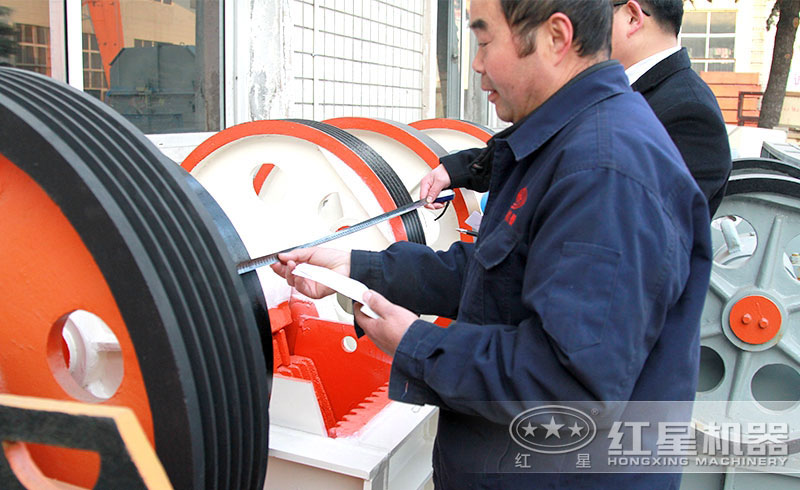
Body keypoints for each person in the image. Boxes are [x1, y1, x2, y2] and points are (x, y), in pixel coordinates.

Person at [272, 0, 711, 488]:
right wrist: (355, 267)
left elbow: (567, 384)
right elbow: (492, 274)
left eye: (483, 41)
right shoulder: (564, 143)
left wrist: (415, 344)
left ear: (556, 37)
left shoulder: (604, 171)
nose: (476, 64)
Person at [422, 0, 732, 218]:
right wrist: (459, 169)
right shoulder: (613, 88)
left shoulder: (689, 113)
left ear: (633, 18)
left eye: (596, 9)